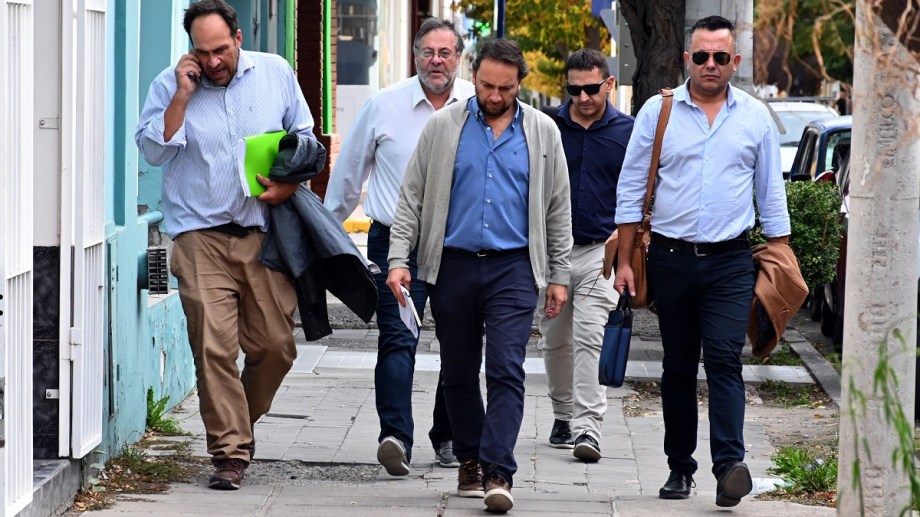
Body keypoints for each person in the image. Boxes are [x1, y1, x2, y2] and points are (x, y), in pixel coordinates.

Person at [385, 38, 572, 513]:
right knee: (459, 370)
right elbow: (411, 197)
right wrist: (398, 259)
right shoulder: (444, 126)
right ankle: (469, 456)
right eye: (487, 85)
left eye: (504, 88)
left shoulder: (543, 132)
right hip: (453, 265)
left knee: (506, 368)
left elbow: (557, 208)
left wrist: (559, 274)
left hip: (514, 266)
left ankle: (498, 470)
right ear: (475, 76)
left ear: (519, 84)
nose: (494, 95)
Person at [135, 0, 315, 490]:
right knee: (213, 346)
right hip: (200, 238)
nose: (213, 61)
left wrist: (289, 184)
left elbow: (304, 137)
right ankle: (229, 453)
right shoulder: (170, 86)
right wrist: (181, 96)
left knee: (276, 348)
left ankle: (237, 426)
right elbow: (152, 151)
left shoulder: (275, 73)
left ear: (238, 38)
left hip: (264, 235)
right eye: (202, 52)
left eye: (220, 49)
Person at [614, 15, 790, 508]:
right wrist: (624, 261)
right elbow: (631, 188)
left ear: (735, 61)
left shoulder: (754, 117)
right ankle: (679, 467)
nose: (710, 64)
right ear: (686, 59)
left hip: (730, 263)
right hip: (669, 259)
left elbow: (770, 194)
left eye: (720, 56)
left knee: (724, 360)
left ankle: (730, 466)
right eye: (701, 56)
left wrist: (782, 257)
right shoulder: (658, 110)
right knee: (677, 365)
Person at [324, 18, 474, 475]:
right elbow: (348, 175)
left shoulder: (477, 105)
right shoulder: (384, 105)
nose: (436, 61)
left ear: (458, 57)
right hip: (394, 243)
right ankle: (395, 437)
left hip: (460, 244)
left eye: (445, 53)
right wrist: (325, 235)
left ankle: (447, 434)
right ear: (415, 56)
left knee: (460, 343)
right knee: (397, 338)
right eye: (428, 52)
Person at [537, 49, 634, 461]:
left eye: (591, 89)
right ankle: (562, 415)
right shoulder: (548, 127)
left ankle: (588, 429)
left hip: (601, 252)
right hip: (552, 253)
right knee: (555, 339)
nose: (583, 97)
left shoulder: (628, 132)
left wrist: (625, 243)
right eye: (574, 90)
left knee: (591, 337)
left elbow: (640, 191)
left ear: (609, 84)